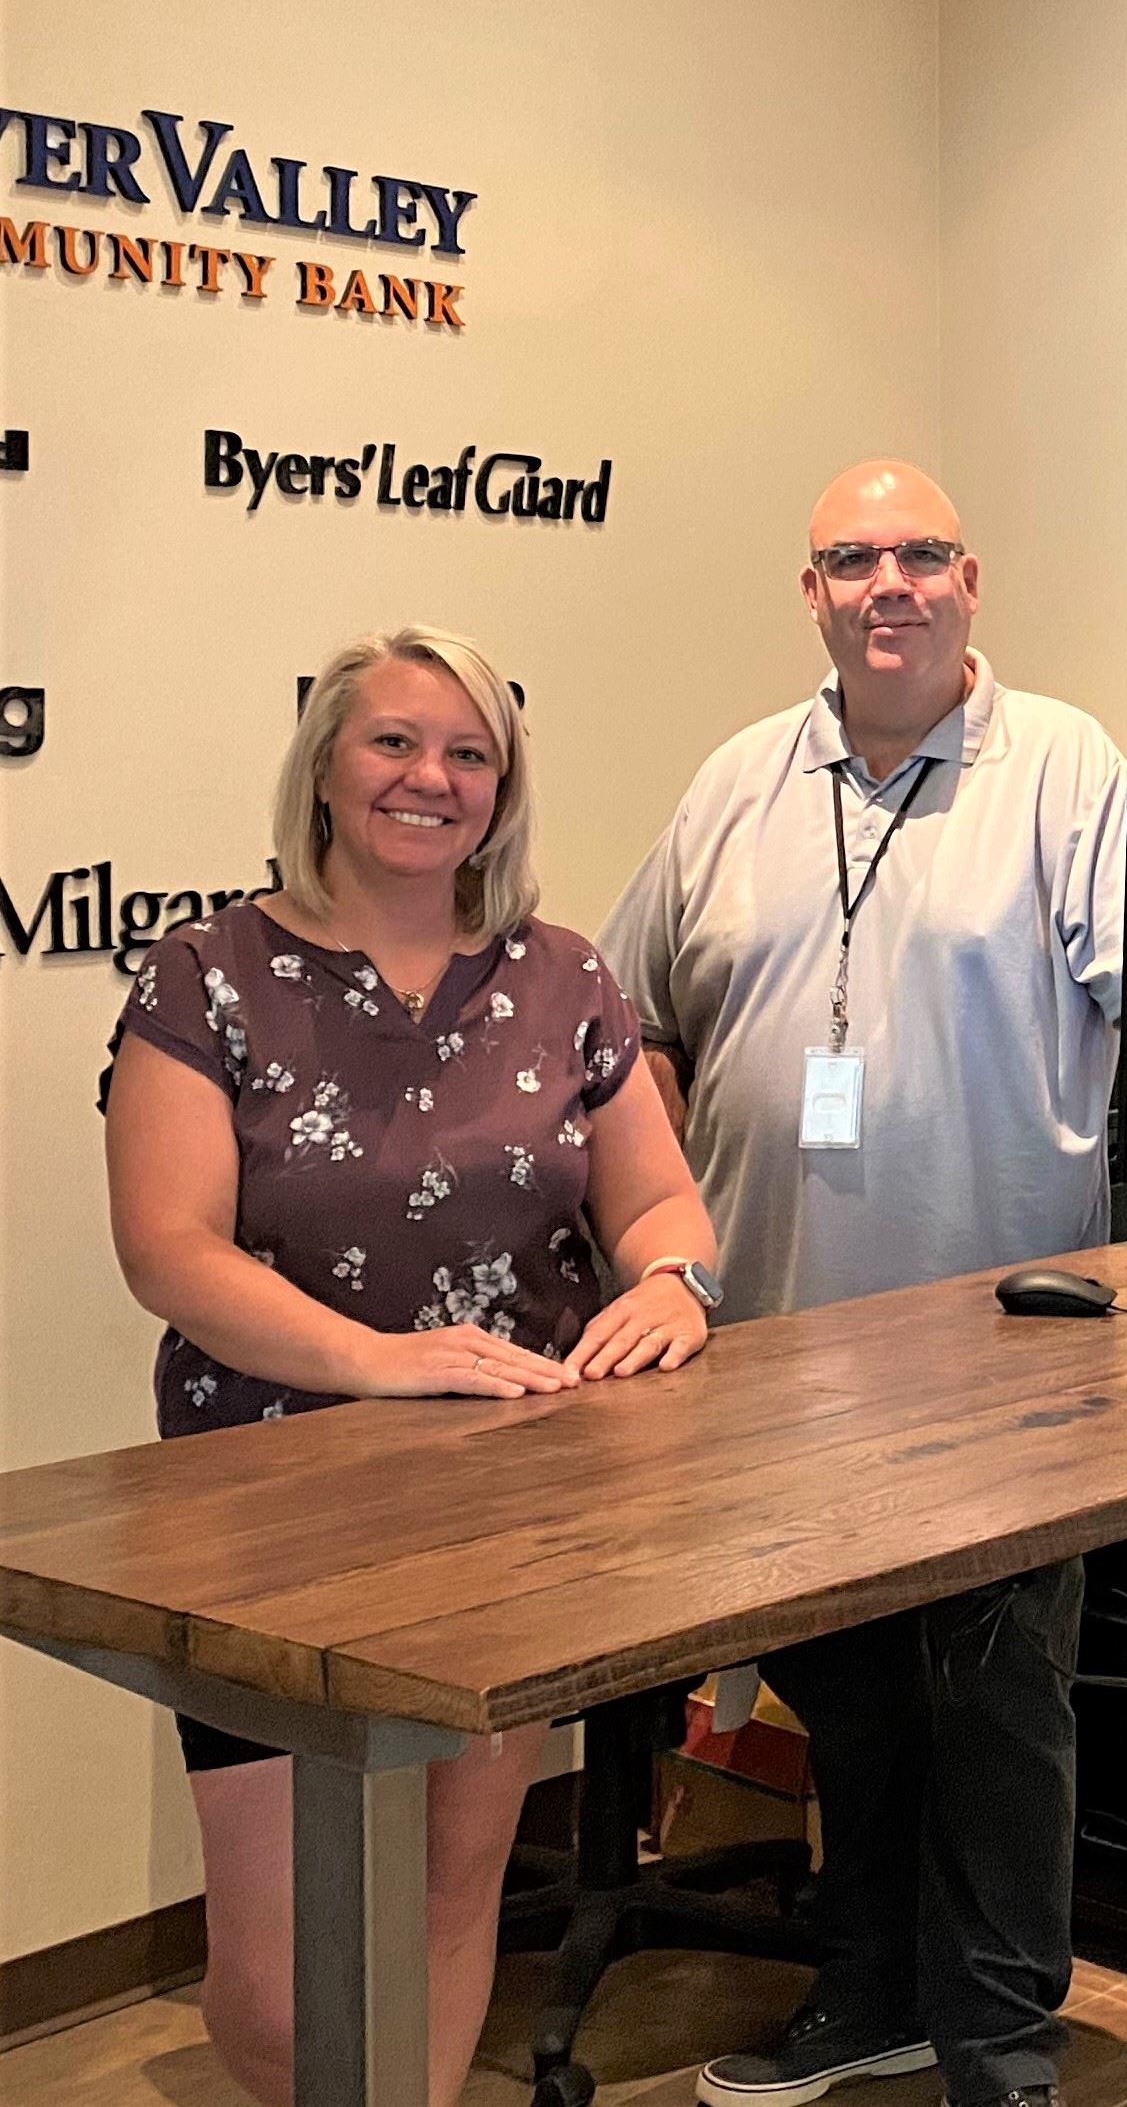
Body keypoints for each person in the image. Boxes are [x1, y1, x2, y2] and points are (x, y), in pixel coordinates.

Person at [600, 460, 1127, 2107]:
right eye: (853, 557)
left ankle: (1001, 2048)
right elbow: (628, 1025)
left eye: (920, 552)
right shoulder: (734, 780)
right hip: (775, 1344)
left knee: (1000, 1700)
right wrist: (662, 1240)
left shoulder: (1059, 765)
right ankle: (869, 1990)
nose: (890, 583)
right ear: (811, 592)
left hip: (1002, 1353)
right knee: (849, 1689)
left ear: (968, 579)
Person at [102, 626, 725, 2107]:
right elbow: (168, 1248)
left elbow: (657, 1201)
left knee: (451, 1889)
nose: (428, 777)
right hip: (267, 1517)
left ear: (501, 788)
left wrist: (675, 1283)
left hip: (515, 1504)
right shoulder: (207, 976)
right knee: (275, 1981)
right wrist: (379, 1362)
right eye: (393, 741)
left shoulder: (563, 975)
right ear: (324, 764)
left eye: (467, 753)